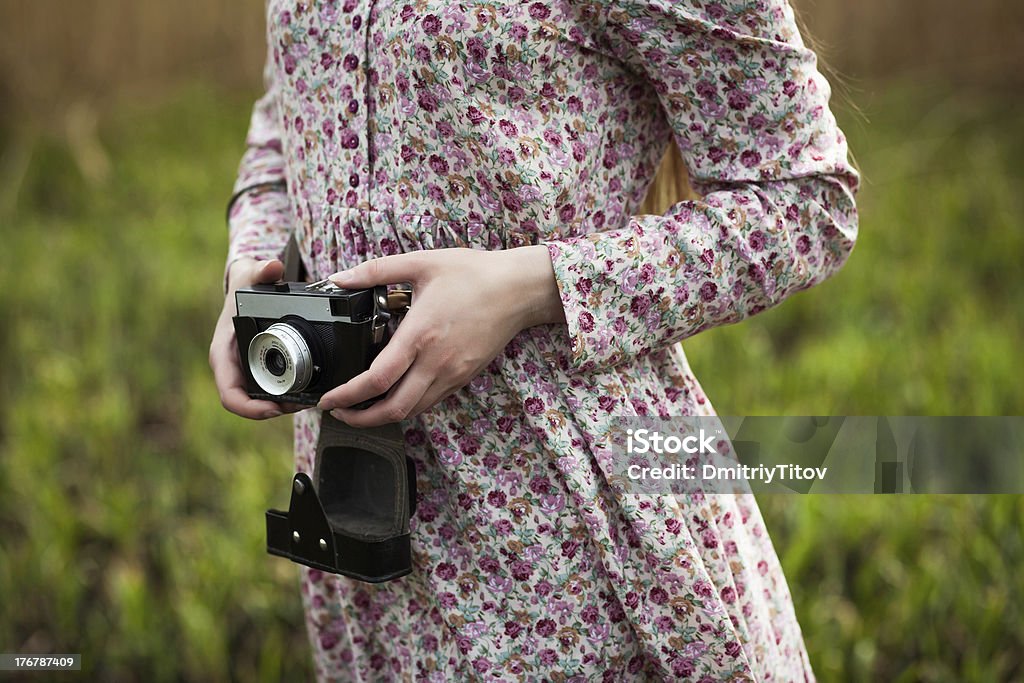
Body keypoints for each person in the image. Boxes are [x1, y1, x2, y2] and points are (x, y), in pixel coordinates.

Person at [209, 0, 859, 678]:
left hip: (571, 536)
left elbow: (807, 200)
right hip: (359, 519)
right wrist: (249, 273)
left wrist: (530, 287)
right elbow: (287, 115)